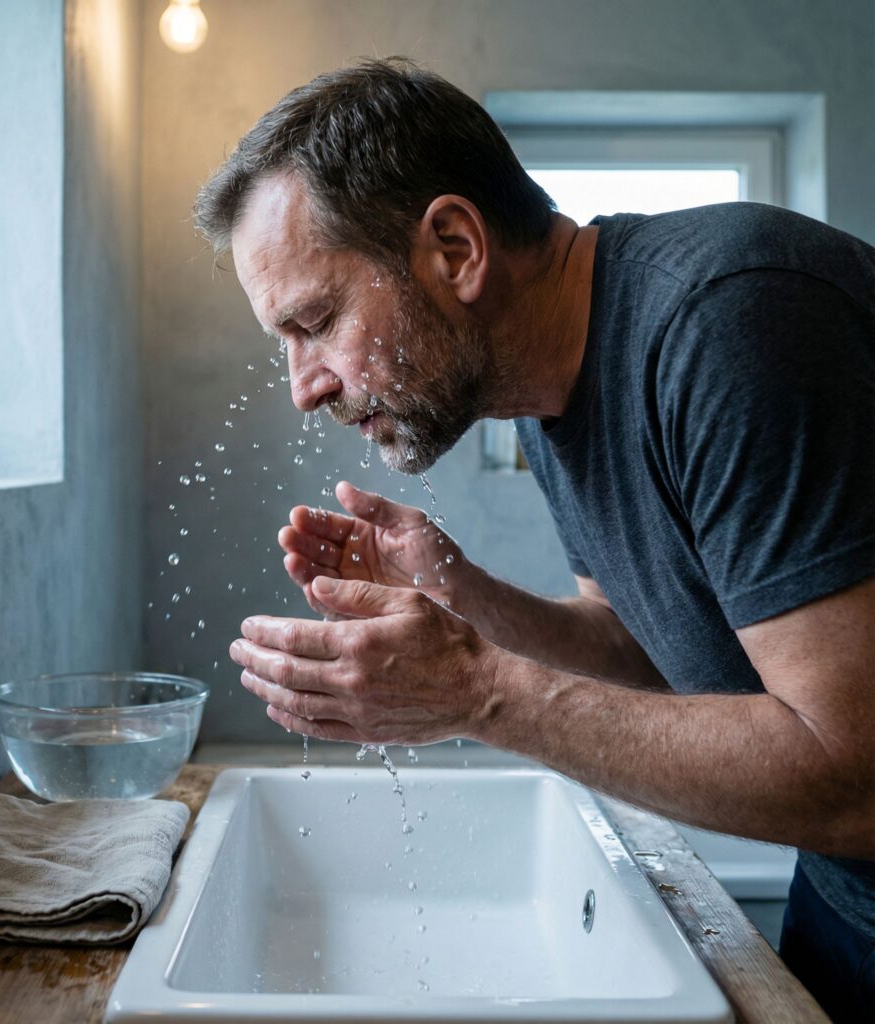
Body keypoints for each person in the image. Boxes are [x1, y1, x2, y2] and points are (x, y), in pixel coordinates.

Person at [196, 58, 875, 1021]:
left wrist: (476, 687)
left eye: (317, 321)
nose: (303, 384)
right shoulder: (547, 387)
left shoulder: (730, 323)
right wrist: (460, 594)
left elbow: (858, 769)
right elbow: (641, 644)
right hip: (846, 897)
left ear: (457, 248)